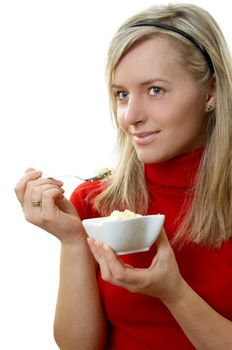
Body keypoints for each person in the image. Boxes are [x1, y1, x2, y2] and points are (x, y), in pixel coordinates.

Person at [14, 3, 232, 349]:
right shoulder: (95, 203)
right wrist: (72, 242)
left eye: (155, 90)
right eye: (122, 94)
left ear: (212, 92)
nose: (131, 116)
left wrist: (175, 294)